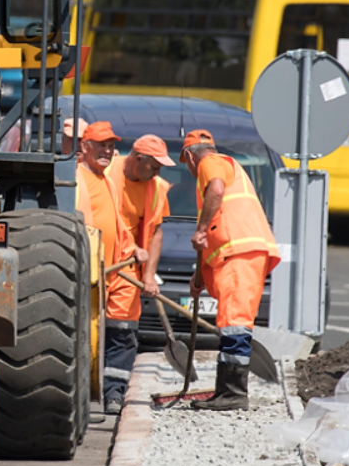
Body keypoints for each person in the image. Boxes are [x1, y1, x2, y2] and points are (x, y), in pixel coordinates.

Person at [179, 129, 281, 411]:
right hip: (240, 252)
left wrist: (200, 228)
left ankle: (234, 393)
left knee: (235, 322)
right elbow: (214, 228)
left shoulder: (208, 162)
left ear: (189, 156)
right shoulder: (225, 166)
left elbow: (216, 190)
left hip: (240, 251)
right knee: (230, 321)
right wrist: (199, 275)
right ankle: (227, 391)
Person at [63, 119, 148, 415]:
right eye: (102, 146)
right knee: (82, 338)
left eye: (111, 147)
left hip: (114, 272)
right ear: (85, 147)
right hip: (89, 275)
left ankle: (114, 394)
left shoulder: (106, 180)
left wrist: (133, 248)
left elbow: (116, 224)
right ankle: (77, 395)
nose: (108, 152)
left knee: (122, 331)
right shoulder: (76, 178)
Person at [109, 134, 174, 301]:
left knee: (122, 324)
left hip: (128, 267)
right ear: (138, 159)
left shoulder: (158, 189)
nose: (157, 173)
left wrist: (149, 275)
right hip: (98, 262)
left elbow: (156, 233)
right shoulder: (105, 170)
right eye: (154, 167)